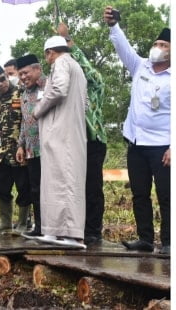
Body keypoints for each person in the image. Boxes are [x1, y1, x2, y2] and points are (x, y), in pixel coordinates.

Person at [104, 7, 170, 255]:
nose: (157, 47)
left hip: (163, 147)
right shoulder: (140, 66)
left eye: (163, 44)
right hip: (136, 143)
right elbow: (123, 48)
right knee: (140, 194)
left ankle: (169, 242)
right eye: (156, 43)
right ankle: (145, 239)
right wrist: (113, 25)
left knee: (166, 196)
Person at [34, 36, 87, 249]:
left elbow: (59, 89)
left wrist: (39, 110)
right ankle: (55, 231)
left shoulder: (62, 63)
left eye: (46, 55)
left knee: (64, 181)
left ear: (50, 53)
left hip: (61, 133)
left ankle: (70, 234)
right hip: (68, 131)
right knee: (57, 181)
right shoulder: (77, 67)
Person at [57, 23, 107, 247]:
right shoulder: (69, 88)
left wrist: (68, 42)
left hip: (93, 141)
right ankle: (74, 228)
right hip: (72, 143)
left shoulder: (93, 86)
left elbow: (90, 72)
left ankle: (93, 230)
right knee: (73, 187)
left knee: (92, 187)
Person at [0, 64, 31, 234]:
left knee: (24, 189)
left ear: (6, 76)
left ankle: (23, 224)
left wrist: (23, 146)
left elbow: (28, 121)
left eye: (2, 79)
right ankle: (5, 222)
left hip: (20, 151)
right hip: (3, 154)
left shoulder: (22, 92)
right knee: (1, 190)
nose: (0, 84)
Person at [15, 54, 46, 240]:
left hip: (50, 148)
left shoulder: (50, 86)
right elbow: (25, 122)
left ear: (37, 69)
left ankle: (55, 227)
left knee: (51, 189)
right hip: (32, 150)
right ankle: (40, 226)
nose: (23, 77)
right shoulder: (24, 93)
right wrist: (20, 145)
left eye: (25, 73)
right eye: (20, 75)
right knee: (35, 189)